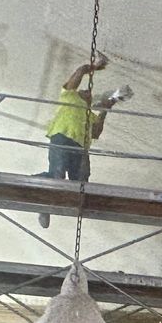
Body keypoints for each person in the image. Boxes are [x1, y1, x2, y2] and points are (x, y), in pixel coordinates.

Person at [35, 52, 125, 228]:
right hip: (62, 138)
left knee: (81, 181)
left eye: (89, 93)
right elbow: (80, 72)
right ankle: (44, 205)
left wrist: (105, 109)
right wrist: (95, 66)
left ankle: (46, 198)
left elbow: (96, 132)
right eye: (85, 90)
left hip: (79, 147)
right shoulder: (69, 97)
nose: (88, 91)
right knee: (58, 174)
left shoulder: (89, 115)